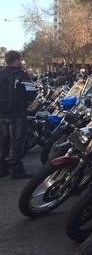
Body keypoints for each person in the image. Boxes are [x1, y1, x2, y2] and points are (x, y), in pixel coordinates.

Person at [0, 51, 37, 179]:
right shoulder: (21, 74)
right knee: (17, 142)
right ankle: (16, 170)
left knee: (3, 142)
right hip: (17, 113)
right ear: (17, 60)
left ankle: (2, 168)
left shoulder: (1, 73)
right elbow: (32, 94)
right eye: (20, 60)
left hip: (2, 114)